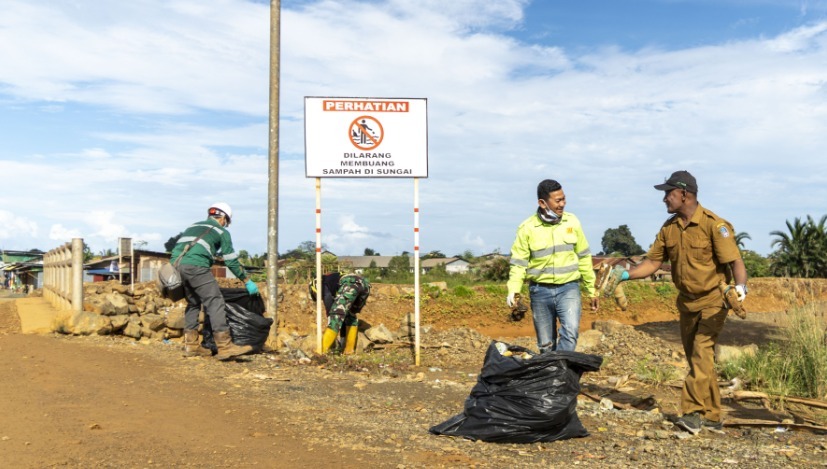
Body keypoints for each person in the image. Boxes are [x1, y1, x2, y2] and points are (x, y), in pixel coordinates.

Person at [603, 170, 747, 435]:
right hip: (687, 303)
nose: (664, 199)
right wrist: (625, 274)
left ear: (684, 194)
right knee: (699, 361)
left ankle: (691, 413)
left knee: (701, 352)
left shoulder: (715, 225)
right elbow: (652, 263)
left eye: (668, 193)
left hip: (714, 300)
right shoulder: (669, 228)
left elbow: (735, 261)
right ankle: (712, 417)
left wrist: (740, 287)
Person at [506, 179, 599, 353]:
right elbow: (518, 264)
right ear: (542, 203)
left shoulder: (572, 222)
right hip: (540, 291)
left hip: (569, 288)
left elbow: (584, 257)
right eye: (558, 201)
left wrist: (591, 289)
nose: (563, 204)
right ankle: (552, 375)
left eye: (564, 199)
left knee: (570, 333)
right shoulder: (527, 228)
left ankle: (560, 373)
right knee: (546, 344)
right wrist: (513, 290)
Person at [171, 202, 260, 361]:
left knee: (193, 303)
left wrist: (178, 269)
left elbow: (176, 250)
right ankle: (225, 347)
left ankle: (190, 346)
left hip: (179, 267)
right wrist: (246, 280)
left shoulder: (193, 226)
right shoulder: (221, 231)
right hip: (197, 267)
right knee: (215, 300)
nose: (226, 224)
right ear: (224, 218)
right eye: (227, 221)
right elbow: (231, 261)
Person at [309, 272, 370, 354]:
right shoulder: (331, 280)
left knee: (336, 316)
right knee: (350, 316)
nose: (319, 297)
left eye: (315, 295)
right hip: (365, 285)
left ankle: (320, 352)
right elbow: (343, 316)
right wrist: (342, 338)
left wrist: (331, 318)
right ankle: (349, 350)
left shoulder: (321, 283)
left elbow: (333, 311)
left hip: (350, 282)